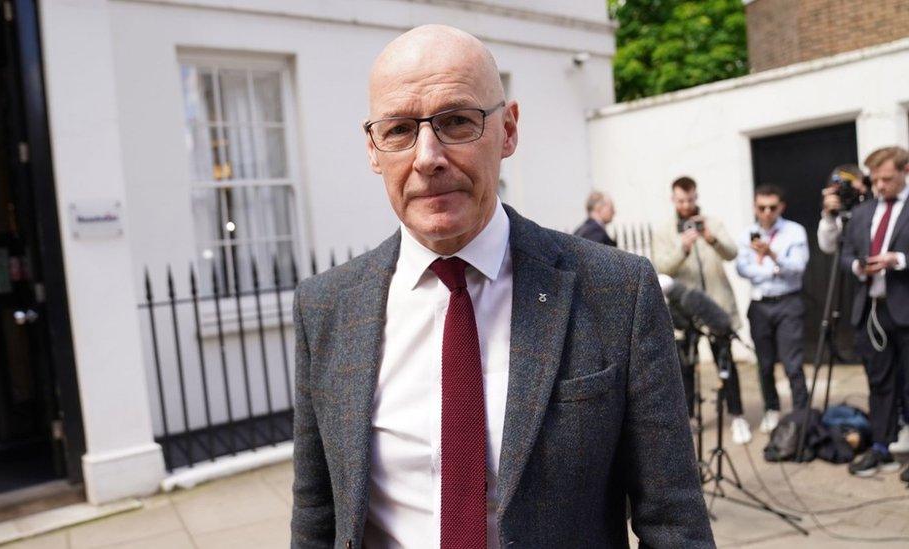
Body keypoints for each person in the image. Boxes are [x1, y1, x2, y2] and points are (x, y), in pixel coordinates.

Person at [290, 25, 713, 547]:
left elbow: (674, 523)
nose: (427, 156)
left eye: (456, 122)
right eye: (400, 129)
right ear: (374, 149)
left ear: (508, 129)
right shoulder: (325, 307)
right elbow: (316, 514)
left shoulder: (617, 291)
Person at [652, 176, 751, 445]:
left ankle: (737, 416)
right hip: (684, 311)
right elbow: (660, 267)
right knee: (685, 367)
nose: (686, 205)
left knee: (725, 363)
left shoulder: (713, 222)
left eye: (690, 199)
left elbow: (732, 253)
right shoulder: (663, 231)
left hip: (716, 305)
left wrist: (711, 238)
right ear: (673, 199)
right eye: (681, 200)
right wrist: (682, 247)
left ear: (697, 197)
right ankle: (690, 418)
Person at [840, 146, 909, 483]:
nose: (880, 185)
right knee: (879, 382)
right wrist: (857, 266)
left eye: (887, 178)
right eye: (876, 180)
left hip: (906, 308)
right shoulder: (863, 213)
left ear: (905, 171)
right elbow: (846, 254)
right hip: (872, 311)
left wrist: (899, 260)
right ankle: (881, 446)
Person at [736, 184, 810, 434]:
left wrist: (772, 255)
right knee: (765, 364)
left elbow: (798, 267)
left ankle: (802, 412)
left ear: (781, 207)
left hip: (788, 302)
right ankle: (772, 408)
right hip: (760, 305)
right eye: (761, 207)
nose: (766, 212)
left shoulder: (794, 232)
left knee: (792, 363)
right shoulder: (748, 233)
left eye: (772, 207)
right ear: (755, 207)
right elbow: (742, 269)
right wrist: (774, 269)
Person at [817, 164, 870, 254]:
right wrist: (829, 217)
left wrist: (866, 196)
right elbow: (827, 247)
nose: (846, 192)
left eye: (849, 187)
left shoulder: (872, 206)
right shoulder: (836, 213)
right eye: (842, 189)